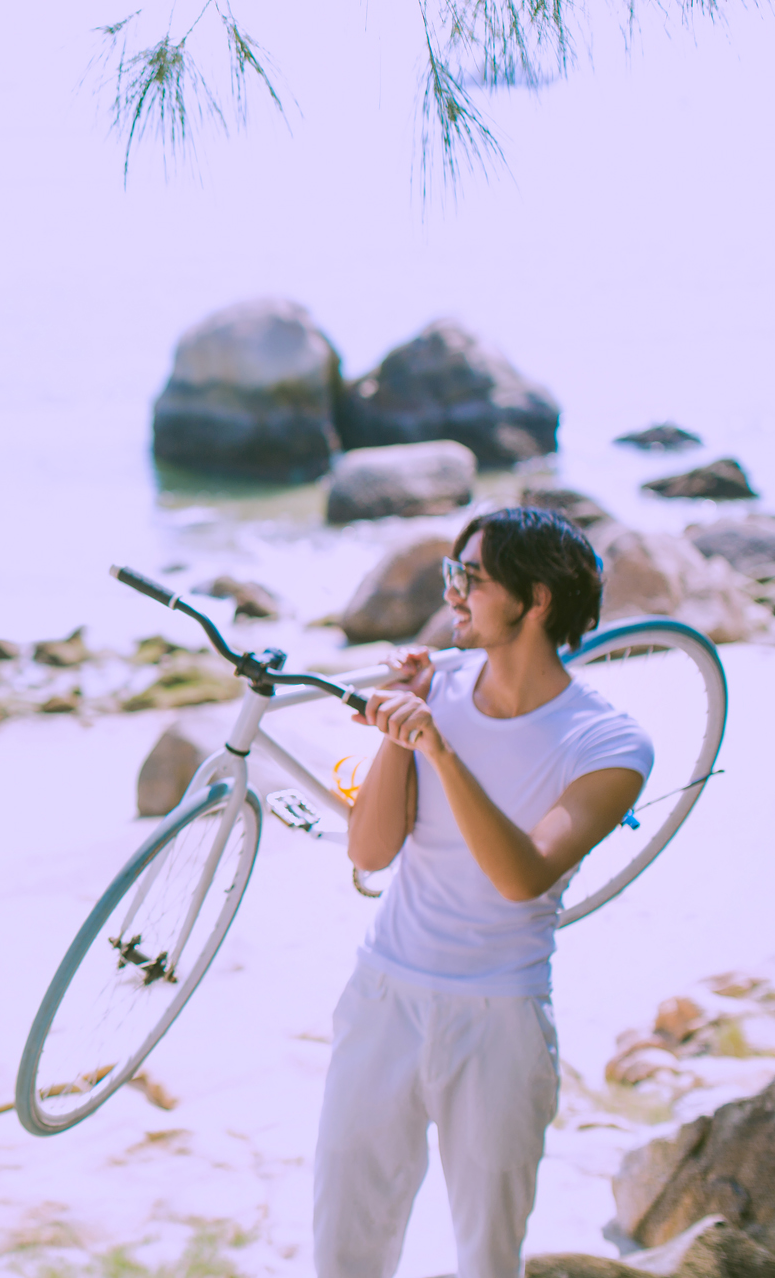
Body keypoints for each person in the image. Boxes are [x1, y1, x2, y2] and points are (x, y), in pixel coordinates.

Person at [314, 507, 655, 1278]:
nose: (452, 595)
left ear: (536, 600)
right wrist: (400, 733)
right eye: (452, 574)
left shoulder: (609, 744)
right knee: (344, 1250)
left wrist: (437, 745)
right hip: (383, 995)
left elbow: (522, 877)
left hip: (500, 1019)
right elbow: (370, 852)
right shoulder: (438, 684)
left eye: (470, 578)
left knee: (488, 1257)